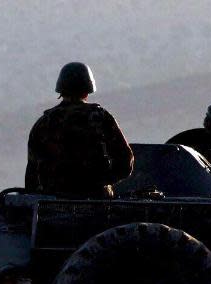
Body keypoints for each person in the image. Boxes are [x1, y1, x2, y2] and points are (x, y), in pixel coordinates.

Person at [25, 62, 134, 198]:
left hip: (52, 206)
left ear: (61, 90)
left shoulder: (43, 123)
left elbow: (32, 174)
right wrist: (103, 182)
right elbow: (125, 160)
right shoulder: (100, 118)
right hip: (97, 204)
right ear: (87, 90)